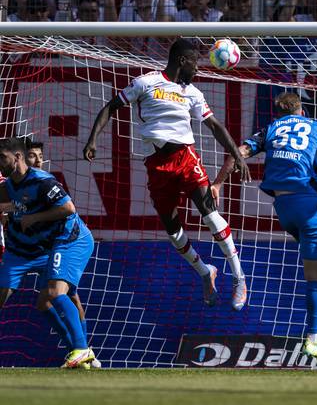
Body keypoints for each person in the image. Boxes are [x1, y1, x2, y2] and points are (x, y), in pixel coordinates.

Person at [83, 39, 251, 311]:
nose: (198, 68)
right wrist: (92, 140)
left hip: (185, 158)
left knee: (209, 214)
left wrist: (237, 155)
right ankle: (205, 272)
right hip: (157, 165)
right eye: (195, 63)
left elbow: (215, 126)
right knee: (173, 232)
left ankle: (239, 278)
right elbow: (110, 107)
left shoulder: (193, 93)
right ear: (182, 60)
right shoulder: (146, 82)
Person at [212, 92, 317, 365]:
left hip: (283, 208)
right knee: (315, 277)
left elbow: (237, 154)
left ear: (278, 113)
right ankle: (313, 338)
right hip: (308, 205)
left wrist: (217, 184)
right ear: (302, 111)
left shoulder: (271, 129)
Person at [0, 137, 95, 368]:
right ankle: (79, 352)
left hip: (67, 241)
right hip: (19, 251)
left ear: (17, 157)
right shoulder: (7, 187)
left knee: (59, 293)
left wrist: (34, 217)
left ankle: (83, 349)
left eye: (2, 158)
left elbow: (68, 208)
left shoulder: (43, 182)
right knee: (44, 302)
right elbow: (8, 207)